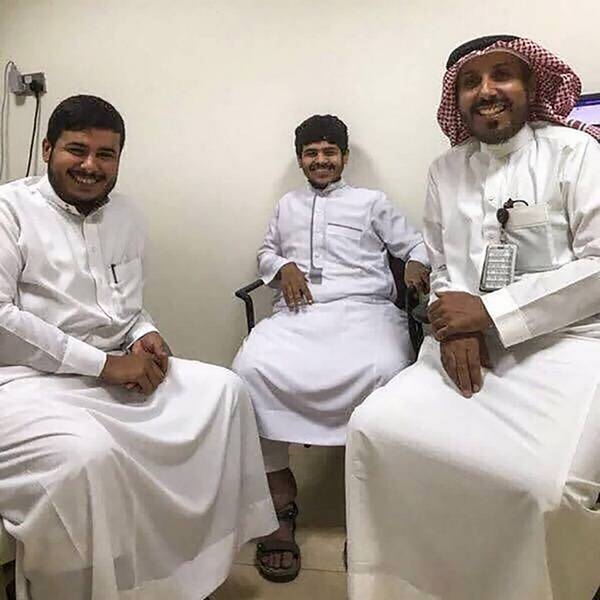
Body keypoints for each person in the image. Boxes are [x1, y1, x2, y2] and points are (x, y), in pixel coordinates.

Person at [345, 35, 600, 600]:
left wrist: (489, 315)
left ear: (530, 85)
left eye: (502, 74)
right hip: (462, 342)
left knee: (546, 490)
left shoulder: (576, 152)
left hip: (573, 343)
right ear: (455, 97)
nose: (487, 91)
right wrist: (452, 326)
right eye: (470, 81)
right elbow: (442, 266)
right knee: (373, 428)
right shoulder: (445, 170)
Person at [0, 95, 276, 600]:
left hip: (113, 368)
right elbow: (2, 321)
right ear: (47, 149)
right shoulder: (9, 210)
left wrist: (142, 333)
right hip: (24, 382)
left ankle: (185, 573)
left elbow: (124, 303)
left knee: (226, 392)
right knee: (87, 457)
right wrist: (104, 365)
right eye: (77, 150)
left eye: (105, 154)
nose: (90, 165)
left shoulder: (126, 214)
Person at [232, 114, 429, 583]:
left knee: (386, 368)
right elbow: (265, 252)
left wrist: (415, 265)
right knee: (249, 370)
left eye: (329, 151)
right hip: (300, 313)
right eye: (311, 153)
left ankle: (373, 515)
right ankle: (280, 505)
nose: (320, 160)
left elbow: (418, 244)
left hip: (365, 311)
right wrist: (281, 267)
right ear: (300, 159)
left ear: (344, 156)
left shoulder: (372, 202)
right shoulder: (287, 205)